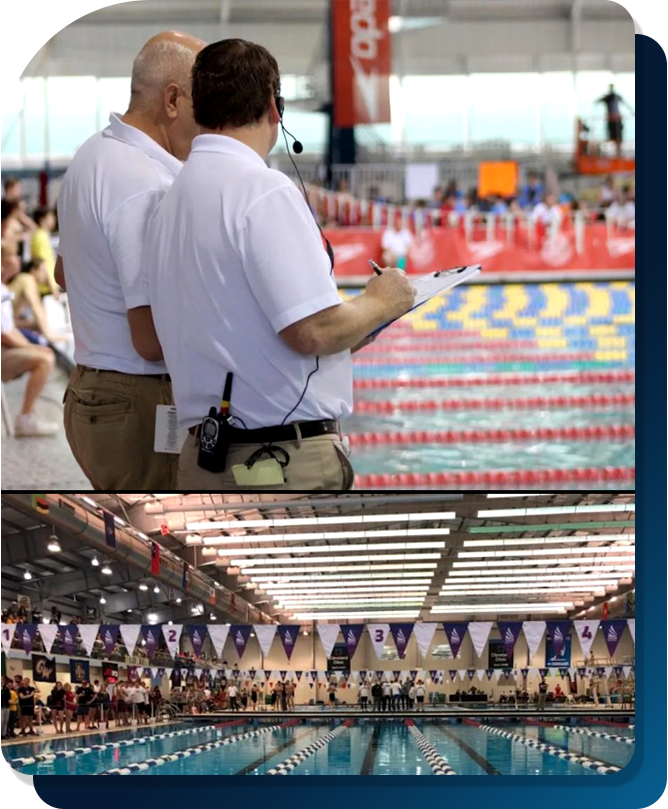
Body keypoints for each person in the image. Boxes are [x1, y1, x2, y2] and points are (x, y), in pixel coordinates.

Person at [146, 39, 415, 491]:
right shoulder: (262, 190)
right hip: (279, 462)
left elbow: (242, 332)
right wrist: (384, 301)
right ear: (275, 107)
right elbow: (312, 331)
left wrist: (358, 325)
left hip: (203, 459)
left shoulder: (168, 202)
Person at [55, 31, 206, 490]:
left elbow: (65, 274)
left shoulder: (92, 154)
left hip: (92, 394)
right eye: (207, 107)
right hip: (137, 402)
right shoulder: (146, 183)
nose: (210, 125)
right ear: (173, 100)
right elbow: (150, 339)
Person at [596, 83, 634, 157]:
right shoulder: (607, 97)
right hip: (611, 119)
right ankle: (614, 153)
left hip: (617, 119)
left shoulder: (617, 97)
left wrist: (632, 112)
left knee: (618, 138)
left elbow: (625, 104)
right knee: (612, 136)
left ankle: (618, 153)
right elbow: (597, 101)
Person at [29, 208, 59, 297]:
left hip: (48, 286)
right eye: (50, 217)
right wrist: (52, 287)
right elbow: (42, 263)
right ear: (42, 220)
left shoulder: (42, 235)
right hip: (46, 287)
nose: (54, 219)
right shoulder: (40, 237)